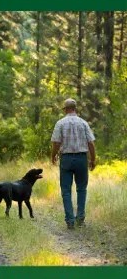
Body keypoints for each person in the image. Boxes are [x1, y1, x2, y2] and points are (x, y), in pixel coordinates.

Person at [51, 98, 96, 229]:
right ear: (75, 109)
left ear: (65, 109)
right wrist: (93, 159)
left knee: (66, 190)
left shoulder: (60, 123)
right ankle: (80, 218)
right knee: (82, 189)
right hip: (82, 159)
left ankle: (70, 221)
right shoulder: (83, 123)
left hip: (66, 159)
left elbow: (56, 143)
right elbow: (91, 143)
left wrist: (53, 156)